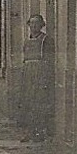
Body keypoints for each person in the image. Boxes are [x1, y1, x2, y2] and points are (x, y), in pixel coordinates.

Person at [18, 14, 55, 142]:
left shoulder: (46, 40)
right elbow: (24, 58)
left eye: (36, 23)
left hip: (40, 75)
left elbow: (49, 60)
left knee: (39, 104)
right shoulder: (27, 41)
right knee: (27, 103)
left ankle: (39, 132)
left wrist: (45, 77)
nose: (34, 26)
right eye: (31, 24)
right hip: (28, 75)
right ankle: (29, 132)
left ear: (41, 25)